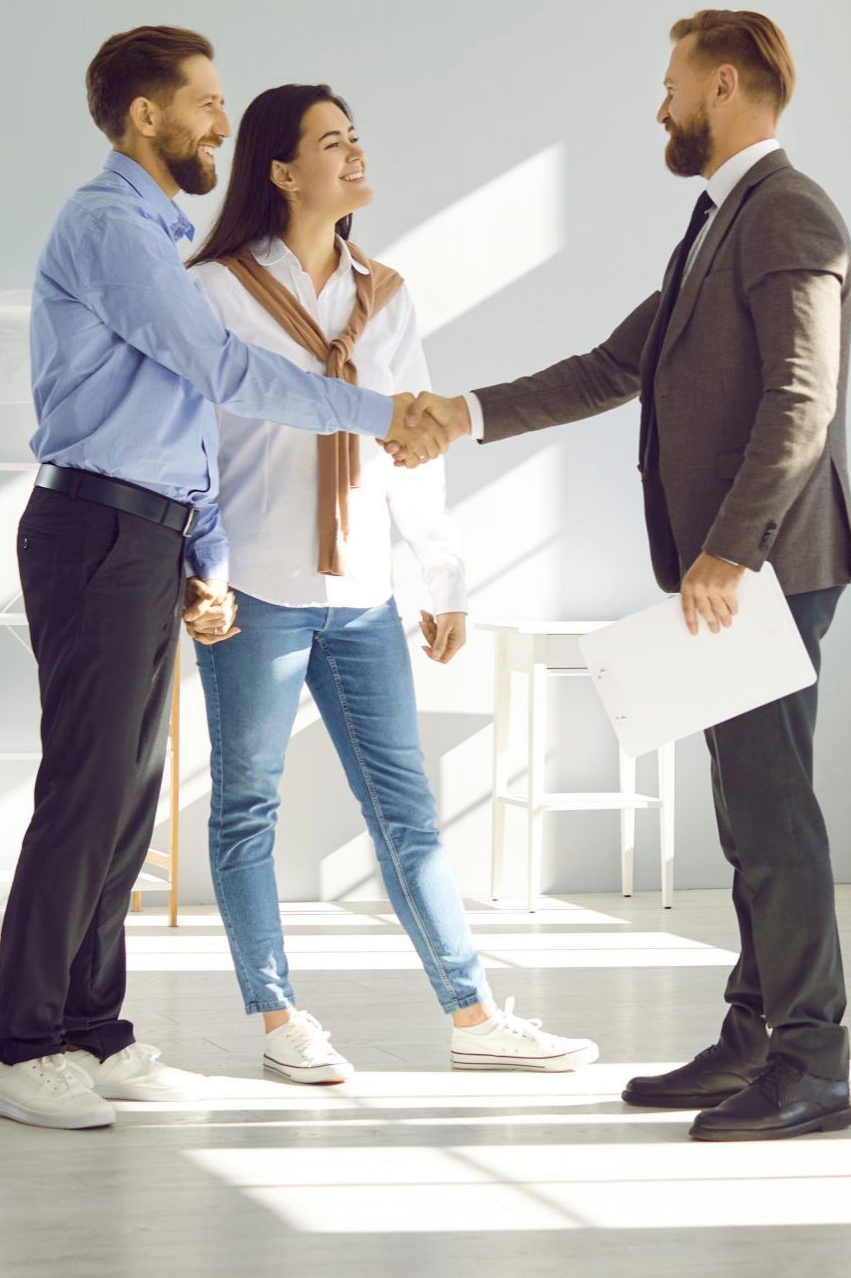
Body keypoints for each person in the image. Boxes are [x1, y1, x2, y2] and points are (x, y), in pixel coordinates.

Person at [0, 27, 452, 1132]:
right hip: (93, 526)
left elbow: (181, 422)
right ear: (146, 115)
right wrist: (385, 414)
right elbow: (221, 371)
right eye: (205, 103)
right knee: (86, 793)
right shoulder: (111, 226)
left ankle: (95, 1029)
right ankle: (20, 1043)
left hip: (142, 533)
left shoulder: (152, 230)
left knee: (130, 799)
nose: (219, 124)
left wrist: (202, 554)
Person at [419, 9, 851, 1142]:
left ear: (722, 84)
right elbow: (617, 365)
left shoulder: (788, 211)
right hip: (734, 570)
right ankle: (755, 1037)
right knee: (746, 811)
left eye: (670, 84)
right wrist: (461, 415)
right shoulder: (719, 223)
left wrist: (730, 547)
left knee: (773, 815)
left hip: (765, 567)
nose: (658, 105)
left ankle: (814, 1061)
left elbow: (801, 399)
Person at [184, 84, 597, 1083]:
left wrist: (443, 571)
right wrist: (201, 572)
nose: (356, 152)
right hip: (258, 587)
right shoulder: (217, 292)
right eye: (333, 141)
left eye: (355, 136)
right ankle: (280, 1016)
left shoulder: (389, 295)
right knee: (249, 804)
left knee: (405, 809)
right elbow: (190, 447)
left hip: (363, 588)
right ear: (282, 172)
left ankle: (473, 1010)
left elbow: (415, 439)